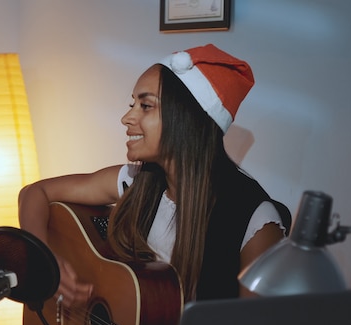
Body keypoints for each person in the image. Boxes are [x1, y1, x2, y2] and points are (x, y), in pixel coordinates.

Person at [17, 44, 291, 308]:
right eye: (132, 103)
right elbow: (34, 193)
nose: (127, 117)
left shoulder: (254, 221)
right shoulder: (137, 181)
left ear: (187, 119)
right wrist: (46, 262)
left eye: (145, 106)